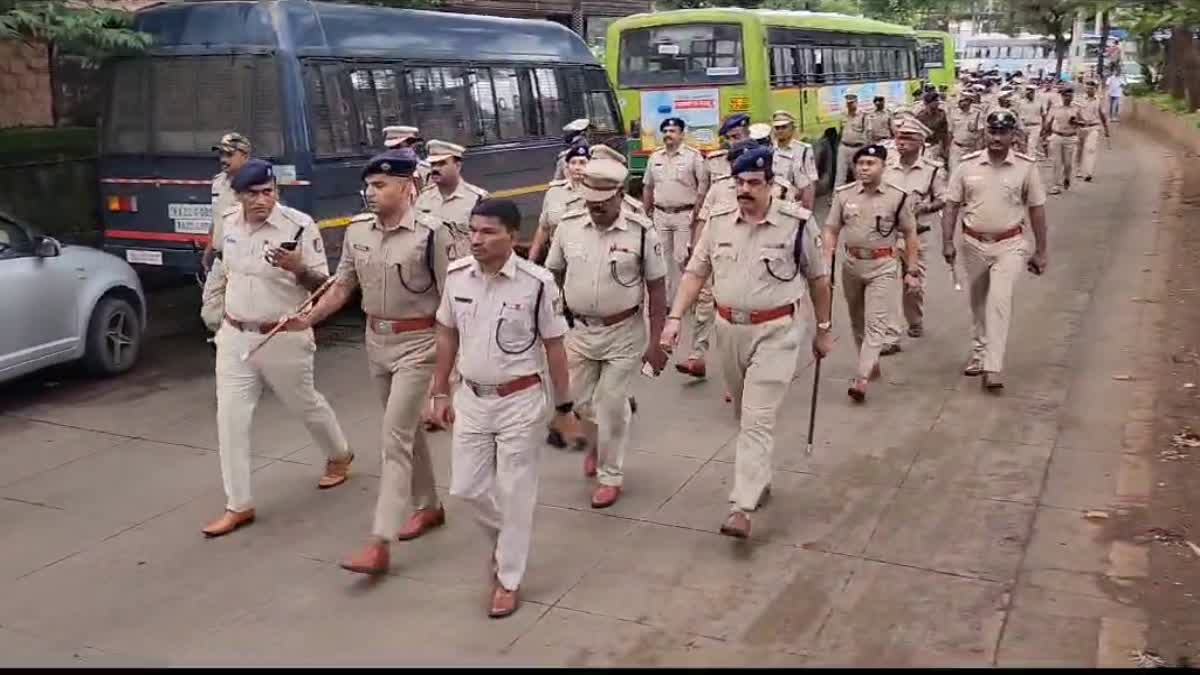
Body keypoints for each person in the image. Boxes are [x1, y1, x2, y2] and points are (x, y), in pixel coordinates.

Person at [285, 149, 451, 574]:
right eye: (369, 186)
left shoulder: (432, 234)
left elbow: (455, 301)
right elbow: (343, 286)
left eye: (380, 186)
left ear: (406, 186)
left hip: (420, 344)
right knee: (407, 431)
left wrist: (449, 375)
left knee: (393, 437)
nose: (371, 193)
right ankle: (429, 505)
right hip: (376, 341)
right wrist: (308, 319)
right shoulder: (359, 231)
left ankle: (381, 539)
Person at [660, 146, 834, 538]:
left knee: (757, 417)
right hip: (729, 330)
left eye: (754, 183)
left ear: (771, 184)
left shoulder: (798, 224)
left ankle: (742, 505)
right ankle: (759, 476)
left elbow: (819, 280)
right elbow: (694, 273)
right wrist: (674, 320)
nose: (745, 190)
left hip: (778, 331)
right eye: (739, 183)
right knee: (744, 413)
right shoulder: (719, 223)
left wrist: (823, 328)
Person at [430, 199, 577, 618]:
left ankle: (508, 578)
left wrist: (565, 406)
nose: (476, 239)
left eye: (488, 232)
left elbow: (554, 347)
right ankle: (509, 537)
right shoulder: (457, 277)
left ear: (513, 237)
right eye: (473, 230)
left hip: (521, 399)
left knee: (515, 492)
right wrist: (438, 390)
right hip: (472, 398)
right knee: (466, 488)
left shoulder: (537, 283)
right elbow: (446, 333)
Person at [202, 159, 353, 538]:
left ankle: (338, 454)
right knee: (231, 421)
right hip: (236, 335)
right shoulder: (229, 222)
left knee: (305, 403)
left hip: (283, 334)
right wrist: (214, 311)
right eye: (252, 194)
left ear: (277, 192)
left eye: (267, 192)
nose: (261, 201)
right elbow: (224, 270)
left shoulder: (298, 226)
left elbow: (325, 284)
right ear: (238, 196)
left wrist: (298, 267)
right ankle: (239, 504)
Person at [544, 157, 669, 509]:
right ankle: (597, 445)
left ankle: (610, 475)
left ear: (619, 195)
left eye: (603, 201)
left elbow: (658, 290)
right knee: (577, 403)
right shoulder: (568, 227)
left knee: (611, 403)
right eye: (589, 200)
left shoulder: (642, 232)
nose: (595, 207)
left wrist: (657, 341)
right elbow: (551, 276)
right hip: (578, 332)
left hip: (624, 332)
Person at [942, 109, 1048, 391]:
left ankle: (993, 366)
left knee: (998, 302)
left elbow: (1036, 209)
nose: (997, 137)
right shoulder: (966, 166)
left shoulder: (1026, 167)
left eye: (1003, 132)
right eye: (993, 131)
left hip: (1010, 244)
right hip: (973, 243)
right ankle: (979, 354)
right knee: (978, 302)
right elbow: (951, 205)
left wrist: (1041, 250)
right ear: (985, 133)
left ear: (1014, 135)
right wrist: (947, 242)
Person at [823, 145, 920, 402]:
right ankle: (870, 360)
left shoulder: (897, 197)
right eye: (861, 163)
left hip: (884, 265)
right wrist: (827, 255)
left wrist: (912, 270)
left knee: (876, 321)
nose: (864, 168)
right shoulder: (844, 195)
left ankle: (862, 377)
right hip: (852, 264)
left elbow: (910, 233)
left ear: (883, 167)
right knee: (856, 320)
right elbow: (831, 228)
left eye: (870, 163)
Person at [675, 113, 751, 381]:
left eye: (737, 137)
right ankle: (697, 356)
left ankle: (744, 370)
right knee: (705, 302)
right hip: (717, 249)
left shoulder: (764, 166)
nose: (733, 142)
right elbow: (703, 213)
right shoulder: (718, 175)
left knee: (740, 311)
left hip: (750, 256)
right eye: (729, 138)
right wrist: (695, 248)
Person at [882, 119, 945, 353]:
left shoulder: (932, 170)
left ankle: (915, 319)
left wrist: (925, 208)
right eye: (899, 137)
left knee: (913, 287)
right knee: (887, 285)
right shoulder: (886, 166)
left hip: (919, 236)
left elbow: (943, 198)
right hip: (890, 235)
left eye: (908, 138)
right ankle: (891, 336)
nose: (902, 143)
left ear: (921, 142)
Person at [642, 116, 709, 295]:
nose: (667, 135)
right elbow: (648, 186)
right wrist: (644, 212)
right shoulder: (655, 157)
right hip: (660, 214)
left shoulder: (693, 157)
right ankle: (666, 300)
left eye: (672, 131)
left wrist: (697, 215)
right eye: (665, 131)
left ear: (682, 135)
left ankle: (683, 298)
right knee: (661, 259)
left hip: (684, 215)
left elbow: (702, 189)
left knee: (682, 259)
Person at [200, 133, 251, 337]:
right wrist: (208, 248)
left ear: (245, 156)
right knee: (211, 311)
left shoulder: (256, 185)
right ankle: (228, 340)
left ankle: (237, 347)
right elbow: (217, 218)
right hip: (221, 257)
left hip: (245, 258)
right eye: (221, 154)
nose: (223, 159)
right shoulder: (218, 182)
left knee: (246, 309)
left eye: (229, 154)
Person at [528, 141, 589, 265]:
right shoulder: (554, 192)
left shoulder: (597, 193)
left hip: (585, 259)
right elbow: (543, 229)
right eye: (573, 163)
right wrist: (531, 261)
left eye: (582, 163)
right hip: (556, 260)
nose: (577, 167)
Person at [769, 110, 818, 210]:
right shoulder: (769, 150)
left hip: (795, 204)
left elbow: (811, 181)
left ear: (792, 128)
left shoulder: (804, 150)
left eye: (784, 127)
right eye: (777, 128)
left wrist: (808, 209)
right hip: (773, 203)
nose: (780, 131)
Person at [1044, 85, 1081, 194]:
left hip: (1070, 137)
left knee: (1068, 163)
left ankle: (1067, 177)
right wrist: (1045, 136)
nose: (1069, 98)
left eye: (1070, 96)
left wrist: (1076, 122)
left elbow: (1083, 122)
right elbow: (1048, 122)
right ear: (1062, 96)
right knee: (1056, 162)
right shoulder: (1055, 107)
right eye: (1066, 96)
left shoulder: (1076, 108)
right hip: (1057, 136)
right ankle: (1055, 185)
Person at [1074, 81, 1111, 183]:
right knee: (1079, 149)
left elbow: (1103, 116)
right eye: (1087, 88)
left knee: (1091, 149)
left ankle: (1088, 173)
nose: (1089, 90)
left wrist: (1106, 129)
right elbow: (1075, 113)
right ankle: (1078, 168)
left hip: (1094, 127)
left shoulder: (1099, 101)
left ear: (1095, 89)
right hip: (1081, 127)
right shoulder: (1080, 100)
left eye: (1091, 88)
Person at [947, 93, 984, 177]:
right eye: (960, 101)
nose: (961, 103)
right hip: (957, 148)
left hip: (971, 148)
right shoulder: (954, 113)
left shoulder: (977, 114)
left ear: (969, 101)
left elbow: (981, 133)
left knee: (970, 175)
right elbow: (950, 132)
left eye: (964, 101)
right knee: (955, 174)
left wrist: (979, 150)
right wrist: (948, 148)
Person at [838, 93, 870, 184]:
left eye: (852, 103)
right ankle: (837, 197)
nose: (849, 105)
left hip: (857, 148)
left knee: (859, 175)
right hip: (844, 148)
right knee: (840, 176)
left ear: (856, 102)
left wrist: (865, 151)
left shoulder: (863, 116)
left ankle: (861, 196)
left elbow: (867, 134)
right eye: (848, 103)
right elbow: (840, 131)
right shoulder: (843, 115)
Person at [915, 91, 950, 164]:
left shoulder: (941, 114)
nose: (938, 103)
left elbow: (945, 132)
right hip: (925, 147)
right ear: (929, 103)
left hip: (938, 145)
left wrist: (946, 148)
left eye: (937, 101)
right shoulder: (920, 116)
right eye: (935, 101)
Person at [1016, 85, 1045, 159]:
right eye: (1028, 92)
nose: (1030, 94)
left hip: (1035, 126)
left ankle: (1030, 162)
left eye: (1032, 92)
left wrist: (1044, 127)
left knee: (1031, 146)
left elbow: (1043, 115)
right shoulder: (1021, 102)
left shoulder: (1039, 102)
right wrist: (1021, 127)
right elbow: (1018, 115)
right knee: (1023, 146)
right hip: (1024, 126)